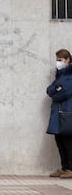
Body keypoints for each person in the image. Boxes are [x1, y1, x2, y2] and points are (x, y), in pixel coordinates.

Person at [47, 49, 72, 179]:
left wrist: (57, 93)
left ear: (67, 59)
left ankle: (71, 168)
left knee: (68, 142)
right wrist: (57, 90)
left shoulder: (70, 75)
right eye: (57, 60)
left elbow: (65, 92)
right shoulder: (60, 75)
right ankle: (64, 168)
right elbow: (50, 90)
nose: (58, 63)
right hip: (58, 113)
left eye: (60, 60)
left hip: (67, 113)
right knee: (59, 140)